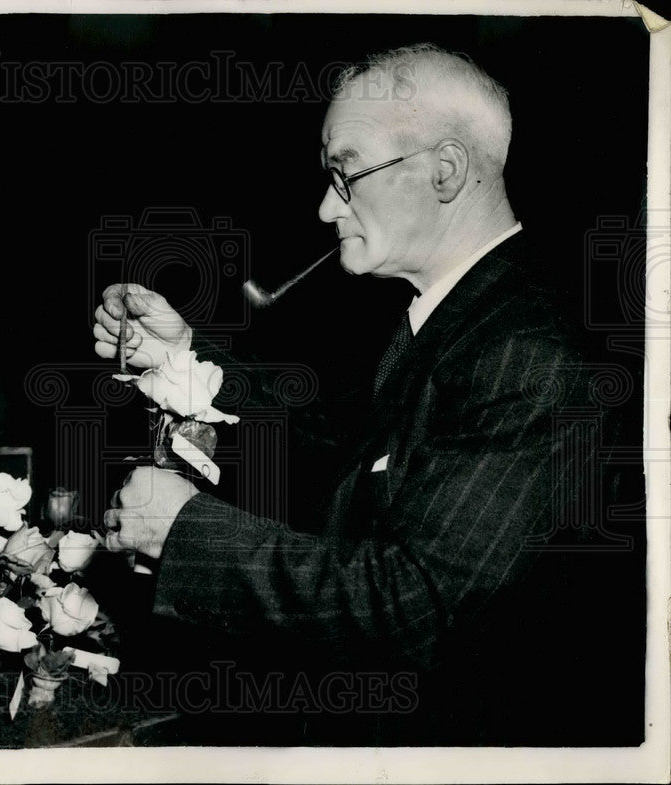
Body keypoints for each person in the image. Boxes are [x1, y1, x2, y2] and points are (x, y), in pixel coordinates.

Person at [93, 44, 642, 744]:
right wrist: (178, 356)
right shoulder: (455, 314)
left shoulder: (525, 352)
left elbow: (414, 601)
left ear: (445, 170)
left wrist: (189, 532)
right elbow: (334, 439)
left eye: (345, 174)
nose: (326, 207)